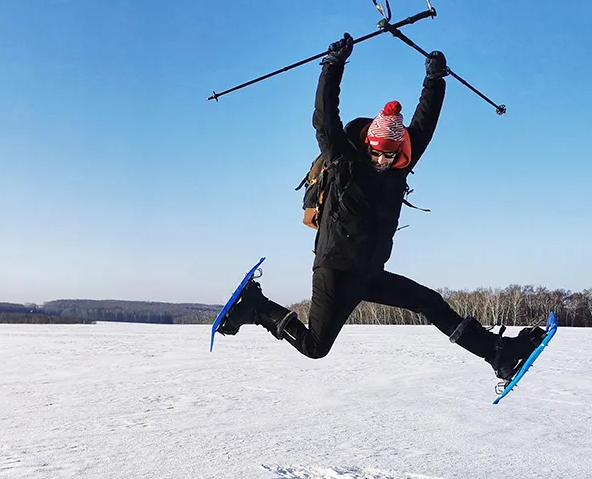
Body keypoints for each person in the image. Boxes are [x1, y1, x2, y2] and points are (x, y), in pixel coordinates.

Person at [216, 33, 545, 383]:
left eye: (390, 154)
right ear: (368, 144)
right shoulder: (344, 162)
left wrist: (435, 80)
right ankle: (257, 306)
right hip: (336, 271)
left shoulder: (399, 164)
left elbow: (424, 124)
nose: (383, 159)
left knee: (430, 302)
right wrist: (333, 65)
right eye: (377, 151)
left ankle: (498, 354)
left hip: (371, 273)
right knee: (315, 346)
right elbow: (325, 117)